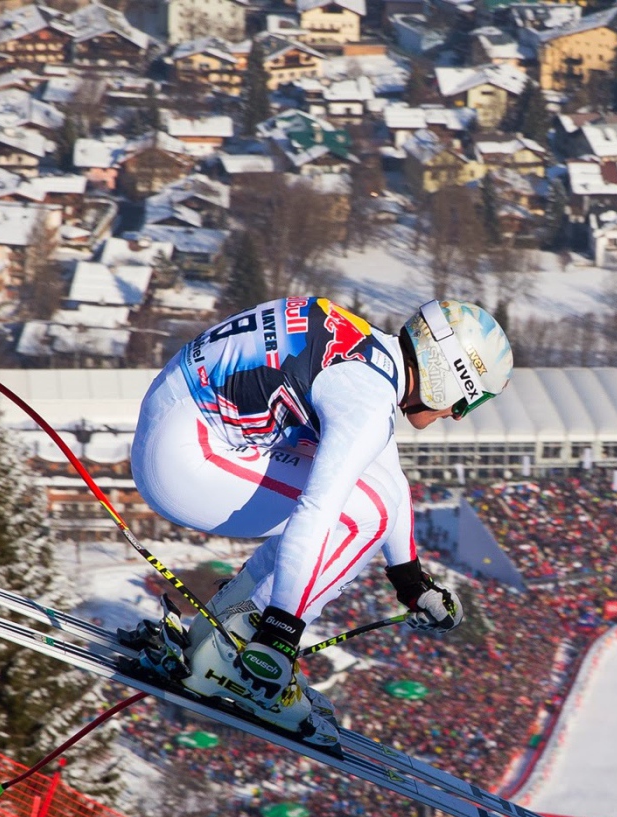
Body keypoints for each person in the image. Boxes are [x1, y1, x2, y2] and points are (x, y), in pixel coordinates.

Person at [127, 296, 514, 749]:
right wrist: (281, 635)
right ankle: (250, 653)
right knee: (360, 513)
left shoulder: (370, 357)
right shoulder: (366, 398)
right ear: (450, 375)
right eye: (466, 402)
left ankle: (231, 626)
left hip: (180, 425)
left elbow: (388, 475)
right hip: (185, 459)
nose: (456, 414)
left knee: (372, 499)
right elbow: (321, 512)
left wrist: (410, 580)